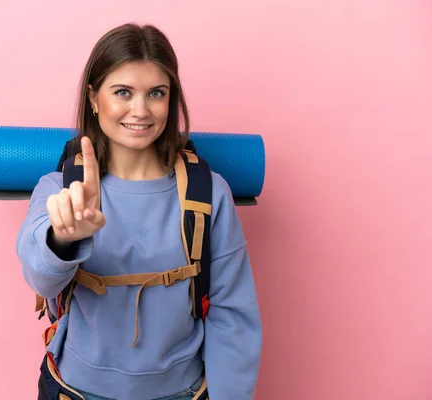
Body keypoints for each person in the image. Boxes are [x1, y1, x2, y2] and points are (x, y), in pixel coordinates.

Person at [16, 23, 262, 400]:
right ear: (94, 99)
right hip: (75, 390)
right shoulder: (61, 188)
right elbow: (41, 278)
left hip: (181, 392)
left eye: (156, 93)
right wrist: (63, 238)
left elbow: (233, 315)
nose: (141, 110)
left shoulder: (208, 193)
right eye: (123, 92)